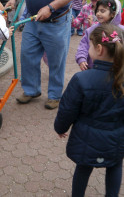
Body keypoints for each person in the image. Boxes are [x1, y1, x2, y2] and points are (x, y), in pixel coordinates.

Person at [54, 24, 124, 197]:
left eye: (90, 45)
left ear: (99, 49)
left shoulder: (81, 79)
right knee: (115, 166)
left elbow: (67, 109)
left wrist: (61, 128)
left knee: (83, 168)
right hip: (117, 139)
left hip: (86, 139)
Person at [75, 0, 124, 71]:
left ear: (113, 14)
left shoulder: (121, 31)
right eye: (97, 10)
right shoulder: (92, 30)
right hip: (93, 68)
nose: (98, 13)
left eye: (102, 11)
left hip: (116, 70)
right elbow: (83, 45)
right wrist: (81, 58)